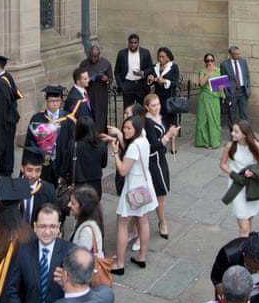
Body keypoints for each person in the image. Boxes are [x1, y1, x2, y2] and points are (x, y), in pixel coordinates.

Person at [109, 113, 156, 274]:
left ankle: (120, 264)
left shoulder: (134, 147)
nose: (125, 130)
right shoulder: (143, 139)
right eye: (125, 127)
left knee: (122, 223)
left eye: (129, 128)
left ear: (136, 129)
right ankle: (142, 256)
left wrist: (115, 153)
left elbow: (122, 170)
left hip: (133, 186)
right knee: (143, 220)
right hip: (144, 183)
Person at [220, 119, 259, 236]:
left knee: (249, 221)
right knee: (243, 226)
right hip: (236, 186)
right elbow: (222, 164)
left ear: (244, 134)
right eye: (233, 131)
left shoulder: (256, 146)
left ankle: (246, 246)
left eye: (236, 132)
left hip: (252, 186)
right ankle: (242, 250)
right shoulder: (230, 146)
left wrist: (254, 172)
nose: (232, 134)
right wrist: (233, 174)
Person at [143, 91, 181, 239]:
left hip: (161, 158)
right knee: (159, 193)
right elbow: (154, 145)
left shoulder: (158, 118)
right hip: (154, 160)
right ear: (147, 107)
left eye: (158, 104)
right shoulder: (148, 123)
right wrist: (168, 136)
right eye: (153, 105)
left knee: (161, 192)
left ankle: (160, 221)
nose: (157, 108)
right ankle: (162, 222)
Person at [0, 54, 22, 178]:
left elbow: (0, 106)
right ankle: (3, 167)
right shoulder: (7, 77)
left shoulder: (1, 83)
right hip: (10, 118)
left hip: (5, 120)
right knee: (7, 144)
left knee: (5, 145)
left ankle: (5, 172)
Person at [147, 45, 182, 139]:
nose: (161, 59)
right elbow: (150, 80)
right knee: (159, 117)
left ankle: (173, 142)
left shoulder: (173, 67)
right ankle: (160, 137)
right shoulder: (155, 67)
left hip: (169, 97)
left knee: (171, 119)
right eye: (159, 56)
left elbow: (176, 82)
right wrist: (150, 79)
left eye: (163, 57)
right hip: (158, 96)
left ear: (168, 57)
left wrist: (165, 81)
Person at [114, 34, 152, 110]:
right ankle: (128, 122)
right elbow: (117, 71)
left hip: (140, 84)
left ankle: (141, 122)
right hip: (127, 84)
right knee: (128, 109)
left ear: (138, 43)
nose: (133, 45)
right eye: (131, 43)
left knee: (142, 109)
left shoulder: (145, 53)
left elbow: (151, 68)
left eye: (135, 43)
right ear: (128, 43)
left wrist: (142, 73)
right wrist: (121, 85)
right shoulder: (122, 53)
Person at [67, 185, 105, 260]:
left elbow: (79, 260)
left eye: (73, 203)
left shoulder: (87, 231)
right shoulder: (82, 221)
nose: (68, 205)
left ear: (83, 207)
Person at [196, 52, 224, 147]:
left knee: (214, 119)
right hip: (204, 97)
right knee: (203, 119)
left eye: (211, 60)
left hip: (214, 97)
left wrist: (222, 92)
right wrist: (207, 74)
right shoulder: (202, 71)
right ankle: (204, 141)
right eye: (207, 60)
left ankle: (214, 142)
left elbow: (221, 85)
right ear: (205, 62)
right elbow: (201, 83)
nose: (210, 62)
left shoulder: (218, 70)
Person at [81, 44, 114, 121]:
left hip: (101, 93)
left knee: (100, 115)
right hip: (88, 92)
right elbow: (79, 78)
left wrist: (106, 79)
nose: (93, 59)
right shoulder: (84, 64)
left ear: (99, 55)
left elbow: (111, 79)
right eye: (91, 56)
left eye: (95, 57)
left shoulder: (106, 63)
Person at [219, 45, 252, 122]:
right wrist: (226, 93)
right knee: (232, 115)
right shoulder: (224, 65)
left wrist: (248, 88)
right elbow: (222, 79)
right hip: (231, 93)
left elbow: (246, 75)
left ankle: (245, 132)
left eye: (239, 53)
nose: (239, 55)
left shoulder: (243, 62)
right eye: (236, 54)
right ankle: (233, 133)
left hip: (243, 91)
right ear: (231, 54)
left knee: (245, 114)